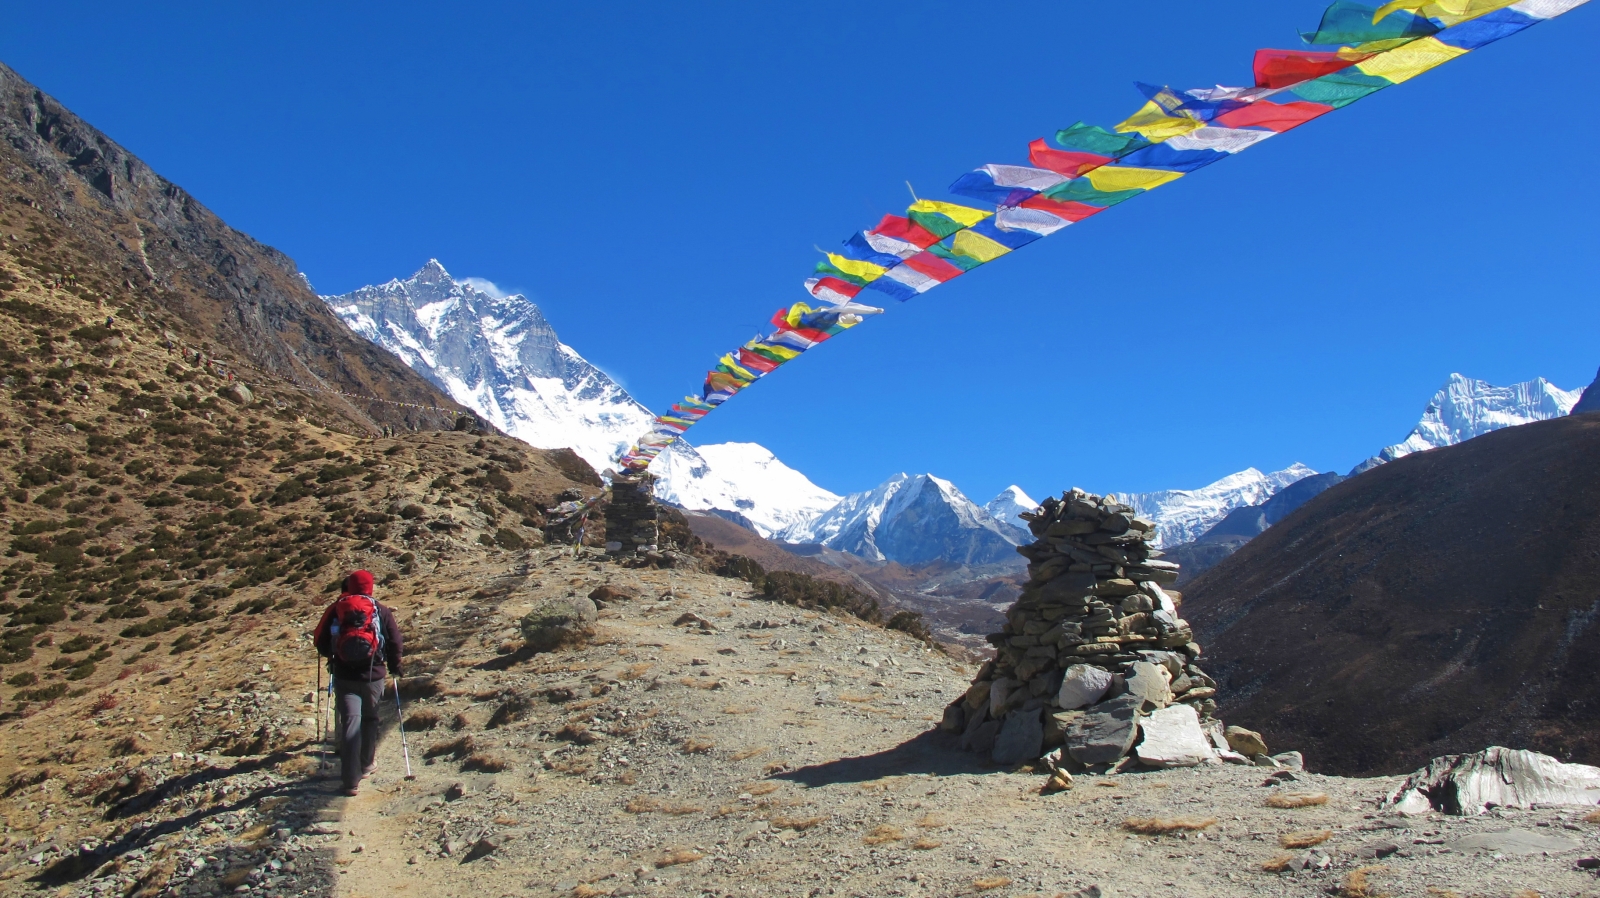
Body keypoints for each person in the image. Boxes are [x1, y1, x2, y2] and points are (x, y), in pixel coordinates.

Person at [313, 570, 403, 796]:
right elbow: (394, 640)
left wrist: (334, 656)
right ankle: (366, 764)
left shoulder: (336, 609)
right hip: (373, 674)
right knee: (370, 718)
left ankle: (350, 781)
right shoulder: (379, 610)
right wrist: (395, 666)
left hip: (344, 676)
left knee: (350, 721)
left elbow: (320, 641)